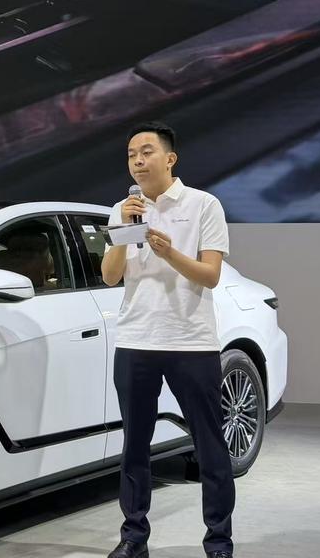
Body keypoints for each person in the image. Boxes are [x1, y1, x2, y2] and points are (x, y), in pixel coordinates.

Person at [102, 121, 236, 558]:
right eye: (131, 155)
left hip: (190, 342)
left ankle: (219, 542)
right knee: (134, 447)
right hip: (136, 340)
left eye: (146, 152)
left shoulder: (203, 205)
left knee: (209, 446)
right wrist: (124, 230)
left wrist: (170, 253)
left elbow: (210, 276)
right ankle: (133, 538)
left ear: (170, 158)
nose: (137, 161)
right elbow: (110, 275)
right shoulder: (123, 209)